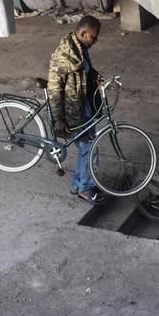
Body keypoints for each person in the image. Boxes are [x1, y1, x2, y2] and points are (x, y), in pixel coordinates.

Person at [47, 15, 105, 205]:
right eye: (93, 38)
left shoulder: (81, 49)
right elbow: (54, 90)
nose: (94, 41)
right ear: (82, 33)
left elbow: (86, 70)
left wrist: (96, 76)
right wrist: (59, 118)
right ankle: (85, 189)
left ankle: (78, 184)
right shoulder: (64, 55)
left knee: (87, 148)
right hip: (73, 112)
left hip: (84, 107)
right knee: (90, 148)